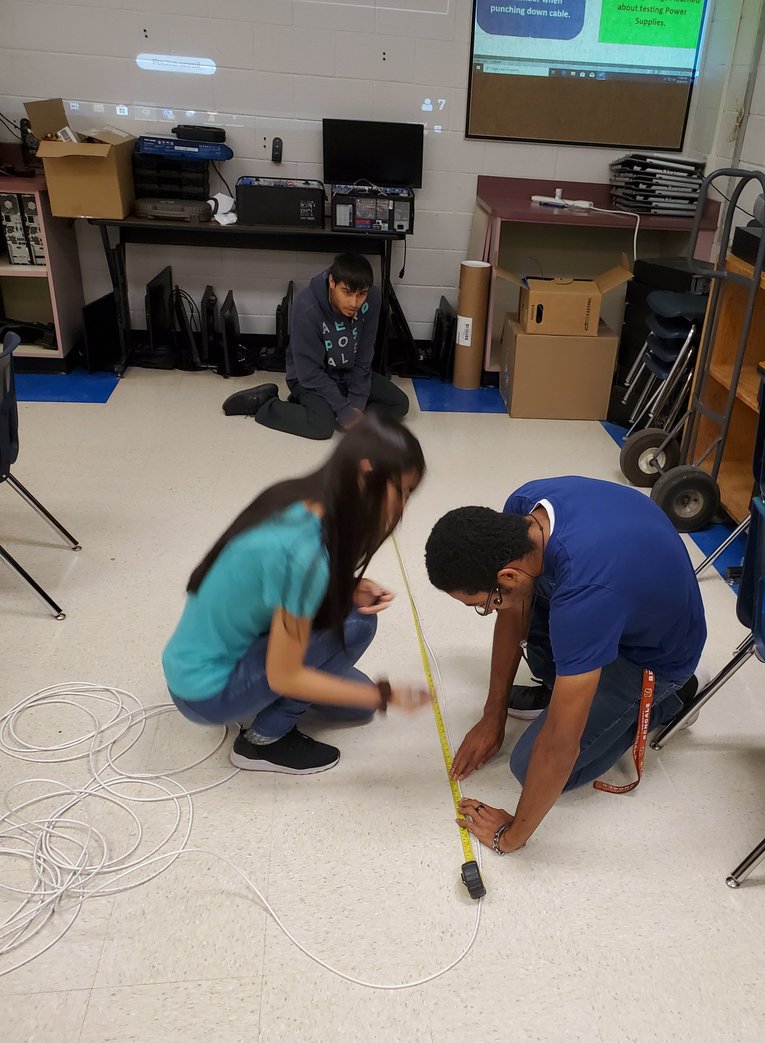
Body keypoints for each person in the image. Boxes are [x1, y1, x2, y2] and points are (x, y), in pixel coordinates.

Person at [424, 475, 707, 853]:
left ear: (506, 575)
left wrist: (510, 837)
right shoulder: (523, 509)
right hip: (617, 600)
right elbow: (513, 612)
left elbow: (561, 746)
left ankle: (677, 696)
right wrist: (493, 716)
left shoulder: (585, 595)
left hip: (656, 653)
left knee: (529, 766)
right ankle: (577, 678)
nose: (488, 610)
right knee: (537, 609)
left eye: (484, 602)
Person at [163, 413, 430, 774]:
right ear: (366, 475)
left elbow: (270, 581)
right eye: (403, 491)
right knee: (358, 628)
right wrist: (388, 695)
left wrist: (345, 588)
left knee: (357, 706)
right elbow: (284, 676)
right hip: (206, 692)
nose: (403, 505)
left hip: (192, 664)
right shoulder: (303, 557)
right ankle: (262, 742)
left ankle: (274, 701)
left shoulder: (297, 497)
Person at [222, 253, 409, 440]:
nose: (354, 303)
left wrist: (356, 404)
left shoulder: (372, 299)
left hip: (348, 373)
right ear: (332, 283)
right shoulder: (306, 306)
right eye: (347, 292)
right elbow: (310, 373)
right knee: (321, 426)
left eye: (361, 294)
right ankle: (266, 405)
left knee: (399, 404)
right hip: (308, 378)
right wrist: (344, 411)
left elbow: (364, 355)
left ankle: (313, 406)